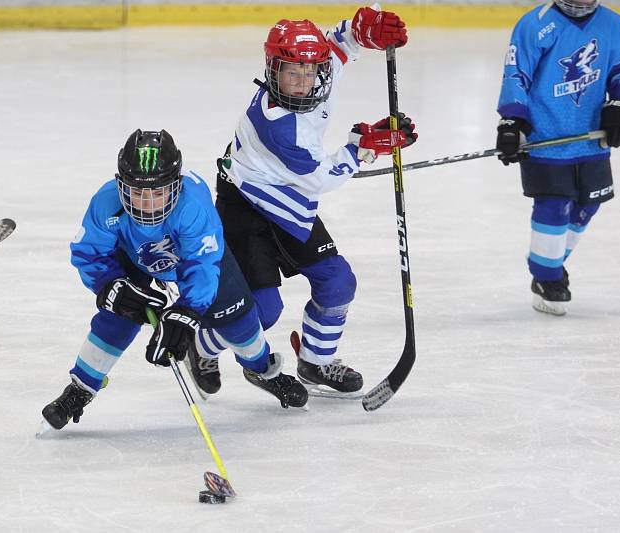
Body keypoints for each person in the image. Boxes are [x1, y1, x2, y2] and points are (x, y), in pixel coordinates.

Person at [185, 6, 417, 399]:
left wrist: (366, 29)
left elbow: (341, 43)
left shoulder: (319, 71)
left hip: (289, 201)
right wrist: (364, 148)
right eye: (292, 72)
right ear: (273, 69)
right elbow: (319, 179)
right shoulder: (275, 124)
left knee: (337, 281)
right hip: (246, 203)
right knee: (262, 310)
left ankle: (315, 361)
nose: (302, 81)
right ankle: (202, 344)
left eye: (309, 71)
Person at [42, 129, 309, 430]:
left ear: (176, 186)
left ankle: (262, 369)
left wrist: (187, 314)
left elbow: (202, 263)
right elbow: (89, 254)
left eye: (157, 192)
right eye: (137, 192)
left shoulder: (193, 204)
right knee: (119, 314)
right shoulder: (105, 203)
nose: (147, 204)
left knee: (236, 317)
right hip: (134, 258)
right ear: (121, 185)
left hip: (193, 260)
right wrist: (109, 285)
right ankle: (81, 387)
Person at [496, 0, 620, 316]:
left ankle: (551, 261)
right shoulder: (536, 24)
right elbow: (516, 74)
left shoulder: (614, 26)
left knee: (590, 203)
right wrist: (512, 122)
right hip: (546, 137)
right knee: (554, 203)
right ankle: (546, 276)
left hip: (590, 137)